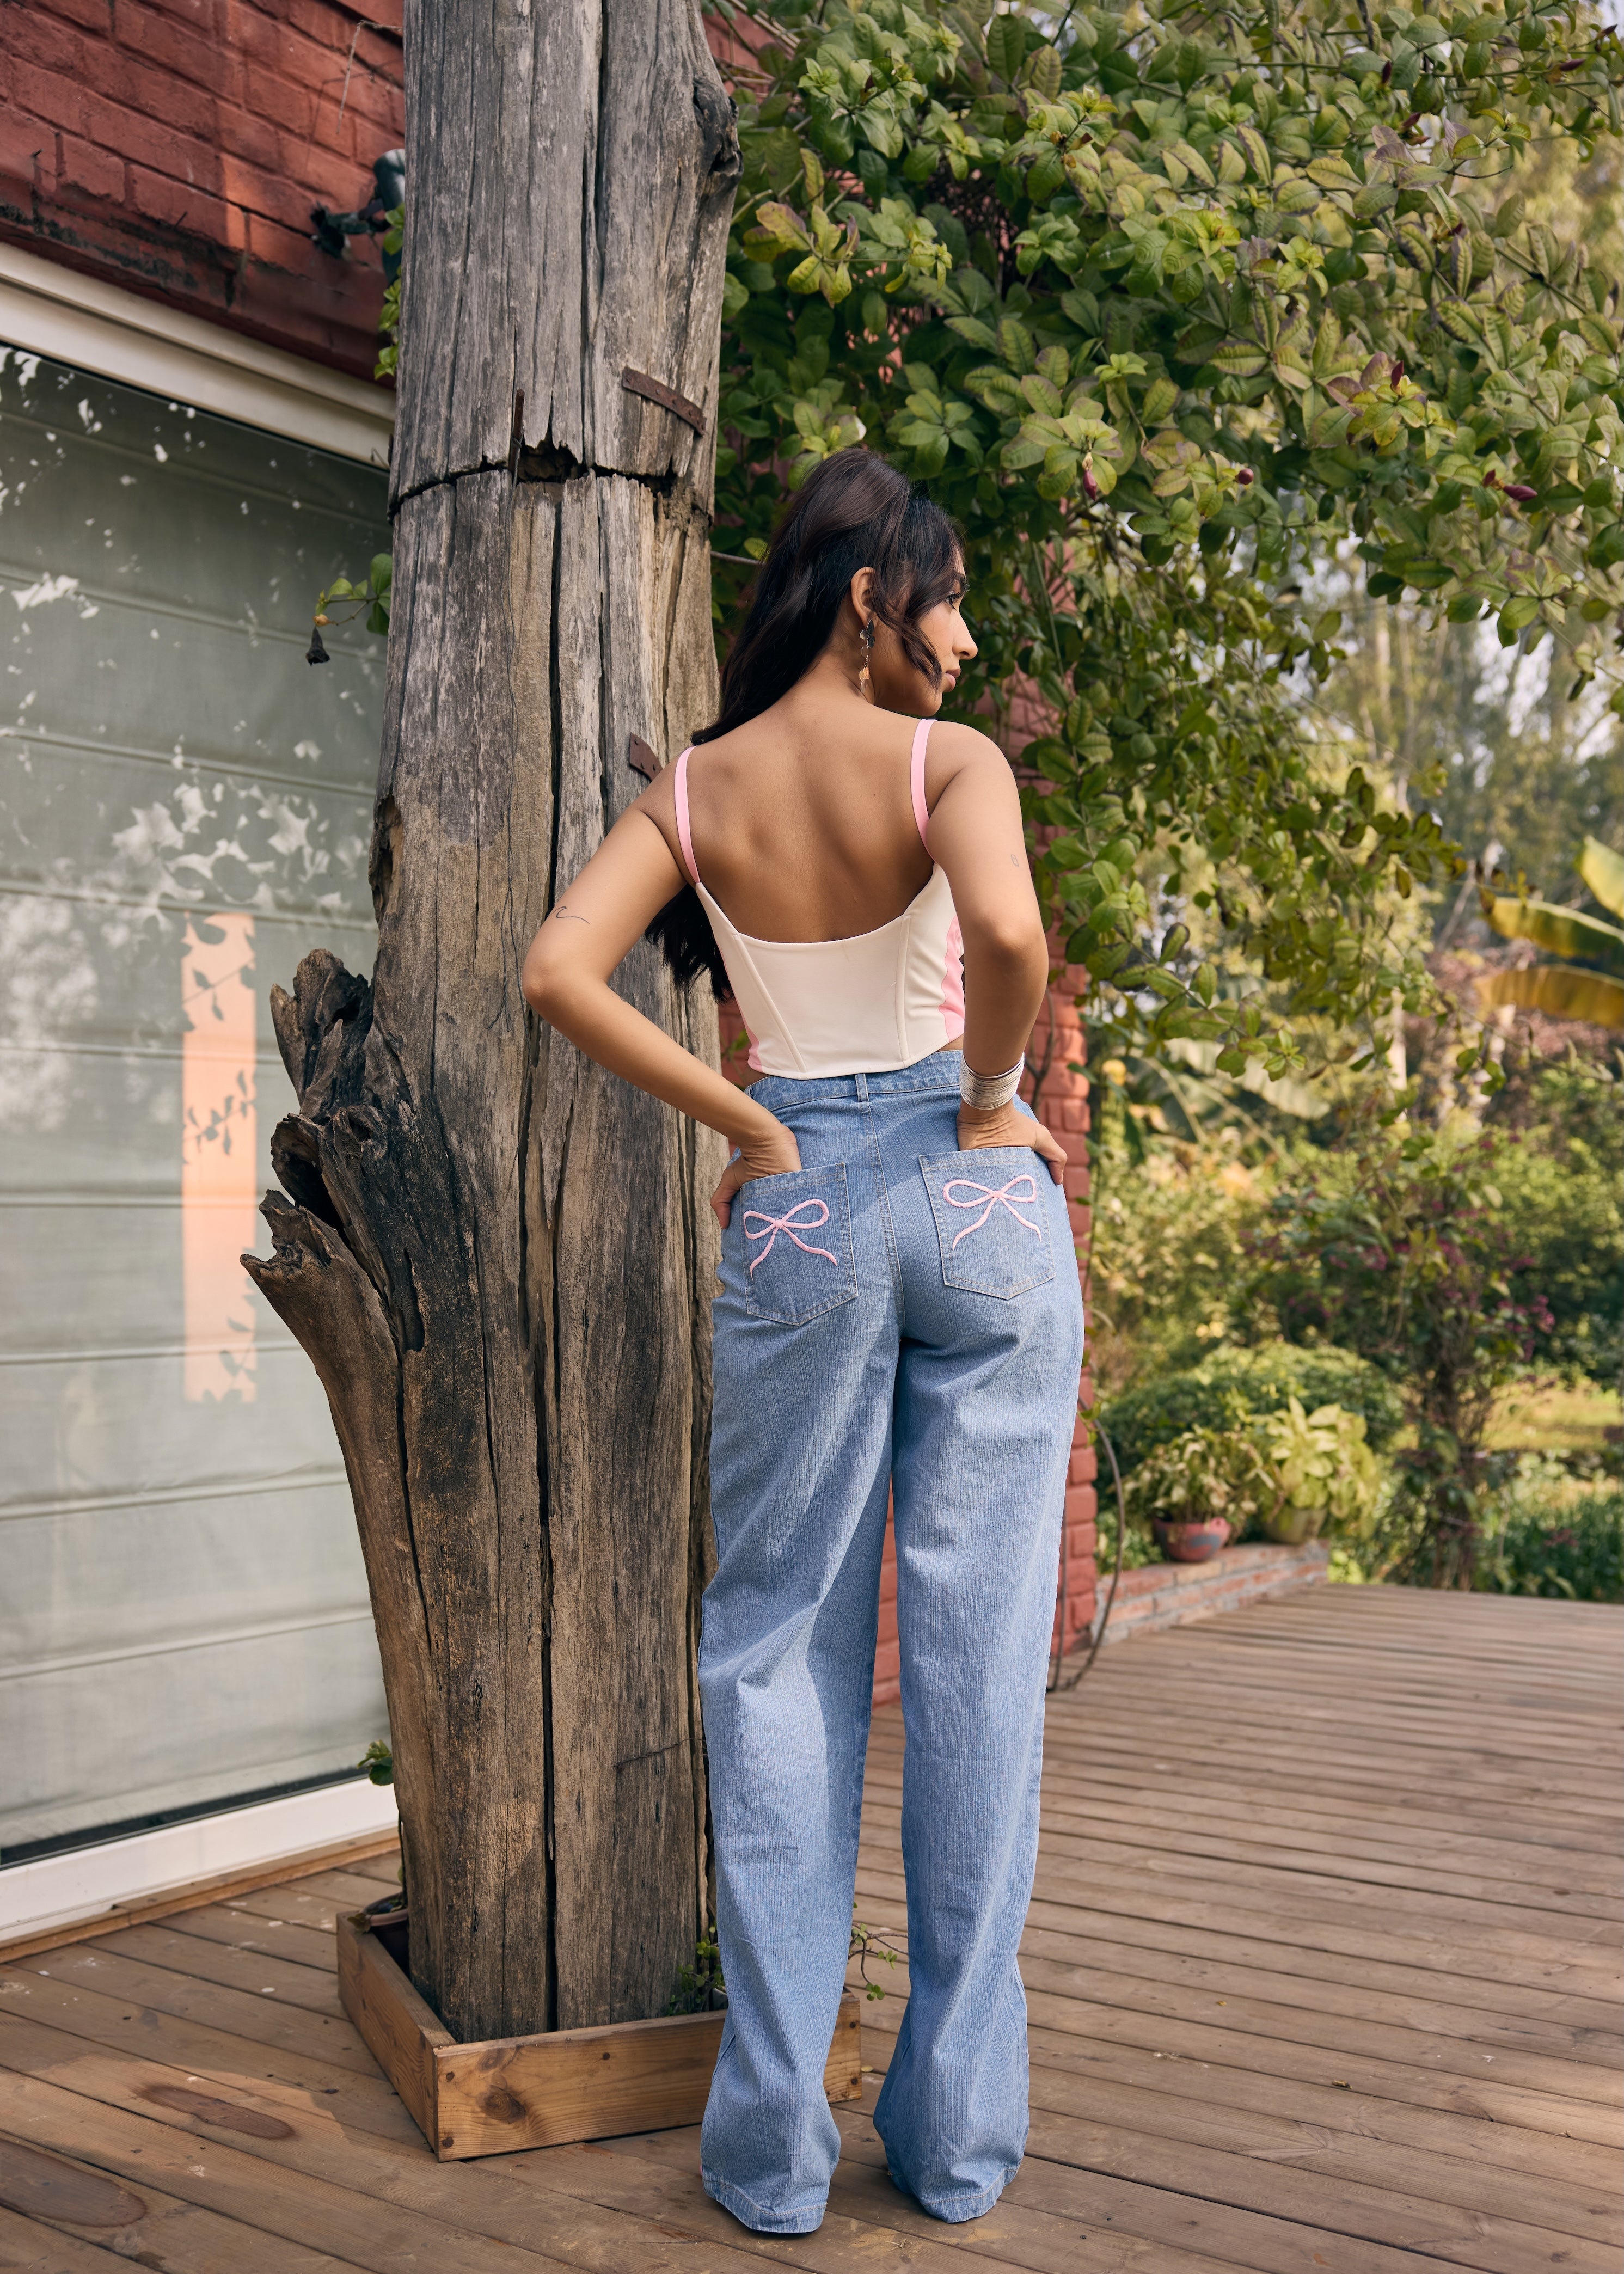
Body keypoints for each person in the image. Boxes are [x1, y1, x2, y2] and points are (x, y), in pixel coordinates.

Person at [522, 449, 1084, 2235]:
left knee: (775, 1653)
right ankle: (951, 2139)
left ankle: (771, 2154)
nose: (966, 628)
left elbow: (557, 971)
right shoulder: (950, 763)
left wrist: (754, 1131)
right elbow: (1004, 928)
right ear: (870, 592)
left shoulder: (698, 790)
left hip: (800, 1209)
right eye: (950, 589)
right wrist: (991, 1096)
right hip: (975, 1185)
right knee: (982, 1660)